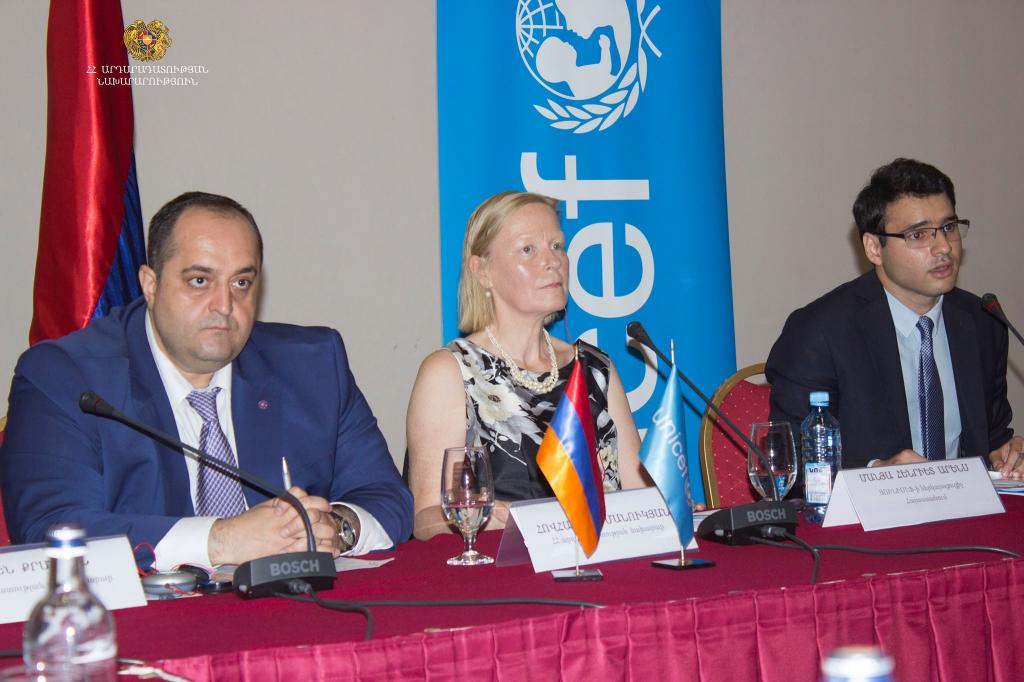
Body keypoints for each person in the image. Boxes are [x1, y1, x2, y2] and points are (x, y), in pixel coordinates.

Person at [0, 192, 413, 568]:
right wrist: (222, 540)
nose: (224, 305)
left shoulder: (313, 365)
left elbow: (387, 496)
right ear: (150, 285)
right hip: (146, 622)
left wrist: (335, 527)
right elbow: (50, 530)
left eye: (241, 283)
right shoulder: (66, 377)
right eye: (200, 281)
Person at [406, 191, 647, 541]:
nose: (552, 261)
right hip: (500, 568)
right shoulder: (450, 372)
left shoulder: (595, 368)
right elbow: (426, 520)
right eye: (528, 250)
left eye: (557, 246)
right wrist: (486, 517)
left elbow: (641, 496)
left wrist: (671, 508)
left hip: (601, 561)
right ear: (482, 271)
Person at [766, 158, 1024, 476]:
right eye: (918, 235)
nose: (943, 247)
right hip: (868, 509)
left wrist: (1007, 453)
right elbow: (792, 461)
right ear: (874, 247)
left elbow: (993, 435)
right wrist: (878, 472)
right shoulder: (820, 332)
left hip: (966, 504)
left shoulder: (983, 321)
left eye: (948, 228)